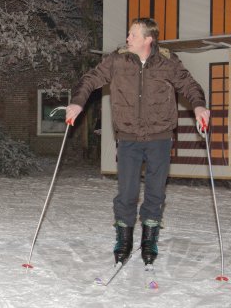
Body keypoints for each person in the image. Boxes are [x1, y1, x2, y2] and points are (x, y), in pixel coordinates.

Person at [66, 18, 210, 266]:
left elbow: (190, 85)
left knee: (155, 191)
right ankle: (124, 239)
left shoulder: (167, 61)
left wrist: (199, 107)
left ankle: (149, 239)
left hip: (160, 138)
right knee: (127, 192)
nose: (128, 38)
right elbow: (89, 80)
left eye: (133, 34)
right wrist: (78, 102)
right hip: (128, 137)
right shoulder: (117, 60)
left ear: (147, 39)